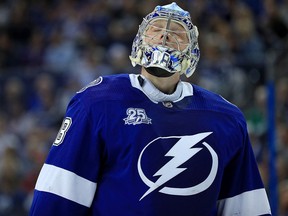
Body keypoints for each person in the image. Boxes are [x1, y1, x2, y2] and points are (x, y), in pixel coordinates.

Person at [29, 2, 272, 216]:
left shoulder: (226, 118)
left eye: (177, 32)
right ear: (138, 42)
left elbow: (246, 207)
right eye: (155, 30)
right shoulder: (96, 102)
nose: (165, 36)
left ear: (193, 54)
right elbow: (59, 196)